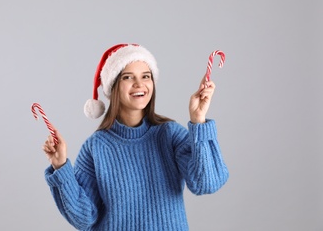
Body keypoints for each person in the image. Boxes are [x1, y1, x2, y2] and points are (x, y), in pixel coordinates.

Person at [42, 43, 229, 230]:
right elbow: (84, 218)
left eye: (146, 76)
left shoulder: (170, 134)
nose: (139, 84)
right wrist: (60, 167)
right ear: (114, 86)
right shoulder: (96, 146)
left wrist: (198, 121)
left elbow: (207, 183)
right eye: (128, 77)